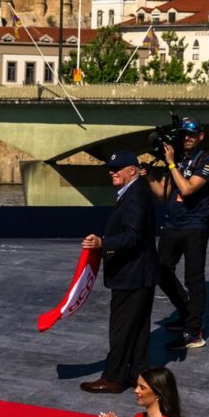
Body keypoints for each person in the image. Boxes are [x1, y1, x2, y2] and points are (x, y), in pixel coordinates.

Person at [80, 151, 158, 394]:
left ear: (132, 170)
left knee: (122, 327)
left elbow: (133, 236)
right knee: (138, 327)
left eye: (118, 168)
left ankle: (113, 378)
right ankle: (139, 374)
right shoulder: (136, 192)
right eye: (111, 168)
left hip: (132, 274)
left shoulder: (135, 195)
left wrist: (103, 243)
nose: (112, 172)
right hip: (140, 273)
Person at [151, 119, 209, 353]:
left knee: (194, 278)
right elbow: (163, 194)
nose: (186, 138)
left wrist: (171, 165)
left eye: (191, 134)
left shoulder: (206, 162)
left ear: (201, 136)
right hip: (173, 224)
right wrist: (147, 175)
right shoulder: (179, 160)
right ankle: (186, 311)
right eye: (183, 135)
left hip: (194, 226)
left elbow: (188, 188)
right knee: (160, 270)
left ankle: (194, 330)